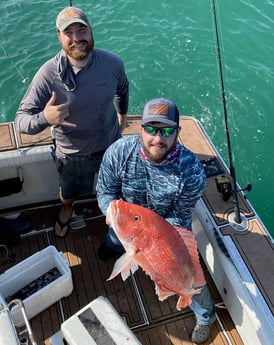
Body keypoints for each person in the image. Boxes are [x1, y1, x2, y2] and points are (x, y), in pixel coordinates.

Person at [96, 98, 216, 344]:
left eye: (167, 130)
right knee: (111, 243)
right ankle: (114, 245)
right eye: (150, 129)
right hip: (126, 227)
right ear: (140, 128)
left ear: (177, 132)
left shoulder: (191, 169)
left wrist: (157, 252)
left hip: (163, 232)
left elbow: (181, 215)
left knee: (188, 277)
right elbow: (105, 192)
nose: (157, 138)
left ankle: (206, 316)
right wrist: (111, 213)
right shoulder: (118, 152)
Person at [15, 7, 129, 237]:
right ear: (59, 37)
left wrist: (122, 116)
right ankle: (67, 209)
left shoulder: (113, 63)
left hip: (111, 145)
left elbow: (123, 89)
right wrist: (45, 118)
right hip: (72, 154)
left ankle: (116, 216)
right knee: (68, 194)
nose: (76, 38)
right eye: (69, 33)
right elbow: (21, 121)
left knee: (115, 188)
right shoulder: (48, 74)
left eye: (81, 29)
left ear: (91, 31)